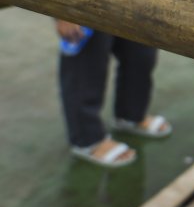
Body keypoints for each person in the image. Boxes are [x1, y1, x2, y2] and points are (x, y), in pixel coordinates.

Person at [57, 20, 172, 168]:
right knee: (87, 63)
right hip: (86, 1)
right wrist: (63, 15)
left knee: (141, 52)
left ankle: (131, 115)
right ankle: (87, 139)